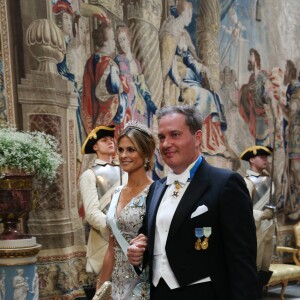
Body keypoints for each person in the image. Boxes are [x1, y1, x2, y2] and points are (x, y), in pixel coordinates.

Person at [128, 105, 258, 299]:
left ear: (197, 138)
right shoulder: (156, 188)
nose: (166, 144)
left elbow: (242, 261)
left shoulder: (225, 184)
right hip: (159, 293)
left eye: (175, 135)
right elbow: (152, 236)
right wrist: (138, 251)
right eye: (162, 137)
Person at [159, 1, 228, 156]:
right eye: (190, 13)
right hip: (177, 79)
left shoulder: (184, 34)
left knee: (211, 95)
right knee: (205, 96)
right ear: (186, 13)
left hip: (189, 77)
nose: (192, 17)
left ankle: (210, 141)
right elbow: (168, 62)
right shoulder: (171, 30)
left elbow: (189, 58)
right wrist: (180, 83)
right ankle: (200, 142)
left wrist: (201, 67)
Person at [97, 120, 156, 299]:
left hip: (143, 285)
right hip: (116, 287)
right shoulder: (117, 192)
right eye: (121, 149)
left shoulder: (155, 192)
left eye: (131, 150)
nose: (123, 155)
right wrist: (101, 287)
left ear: (146, 153)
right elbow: (111, 247)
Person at [79, 125, 122, 298]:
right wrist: (114, 229)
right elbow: (91, 213)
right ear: (95, 147)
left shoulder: (125, 170)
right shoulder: (89, 175)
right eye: (104, 140)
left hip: (129, 238)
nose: (110, 142)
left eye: (112, 139)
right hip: (104, 239)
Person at [240, 145, 276, 296]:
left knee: (265, 265)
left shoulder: (269, 179)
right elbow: (242, 209)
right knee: (253, 265)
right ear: (252, 159)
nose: (265, 160)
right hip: (255, 229)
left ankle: (260, 290)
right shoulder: (246, 182)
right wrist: (260, 215)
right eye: (262, 157)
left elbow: (272, 202)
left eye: (266, 157)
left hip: (269, 228)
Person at [81, 23, 127, 135]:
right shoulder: (108, 63)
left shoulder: (92, 60)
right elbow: (103, 91)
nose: (114, 43)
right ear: (105, 42)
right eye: (112, 39)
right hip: (107, 115)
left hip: (95, 110)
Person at [114, 25, 157, 128]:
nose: (123, 43)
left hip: (139, 98)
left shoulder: (136, 63)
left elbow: (142, 83)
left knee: (146, 114)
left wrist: (147, 99)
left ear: (129, 38)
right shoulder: (119, 60)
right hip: (127, 97)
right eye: (120, 41)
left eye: (124, 39)